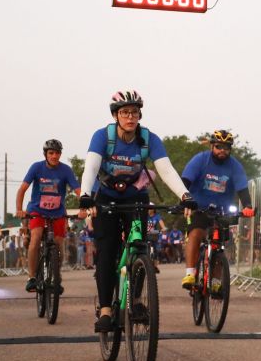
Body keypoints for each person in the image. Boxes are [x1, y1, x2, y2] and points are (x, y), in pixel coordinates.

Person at [77, 90, 191, 333]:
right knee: (106, 251)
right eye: (125, 112)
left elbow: (166, 170)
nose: (130, 117)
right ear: (115, 115)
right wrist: (85, 195)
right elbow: (91, 167)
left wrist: (185, 196)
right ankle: (106, 310)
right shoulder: (102, 136)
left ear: (140, 115)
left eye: (135, 113)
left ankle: (136, 300)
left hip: (135, 197)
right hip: (106, 197)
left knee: (139, 246)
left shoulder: (149, 139)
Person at [179, 129, 254, 289]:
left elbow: (242, 189)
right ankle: (190, 273)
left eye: (226, 148)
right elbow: (185, 181)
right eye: (219, 147)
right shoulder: (201, 159)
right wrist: (184, 200)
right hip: (199, 207)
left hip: (222, 211)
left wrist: (248, 206)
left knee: (219, 245)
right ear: (212, 146)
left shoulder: (234, 165)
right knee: (195, 234)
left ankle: (215, 281)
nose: (222, 151)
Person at [15, 139, 80, 292]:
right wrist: (19, 209)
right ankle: (32, 277)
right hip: (37, 210)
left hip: (57, 212)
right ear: (45, 154)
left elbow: (78, 190)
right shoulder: (37, 167)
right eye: (51, 153)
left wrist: (84, 206)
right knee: (36, 238)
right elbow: (22, 189)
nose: (54, 156)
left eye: (57, 153)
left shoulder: (66, 170)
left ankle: (56, 276)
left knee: (59, 245)